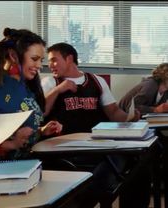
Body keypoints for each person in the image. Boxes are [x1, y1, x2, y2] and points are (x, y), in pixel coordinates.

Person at [41, 42, 151, 208]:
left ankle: (84, 198)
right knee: (114, 164)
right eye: (49, 61)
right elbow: (41, 112)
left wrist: (129, 118)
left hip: (96, 143)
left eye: (54, 60)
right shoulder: (50, 83)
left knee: (137, 159)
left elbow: (113, 112)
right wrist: (58, 90)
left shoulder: (96, 81)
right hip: (64, 147)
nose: (50, 65)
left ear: (69, 58)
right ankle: (86, 198)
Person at [0, 28, 62, 161]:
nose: (39, 65)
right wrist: (11, 145)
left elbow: (21, 134)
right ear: (13, 56)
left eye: (41, 60)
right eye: (34, 59)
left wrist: (42, 131)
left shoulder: (26, 85)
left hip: (29, 165)